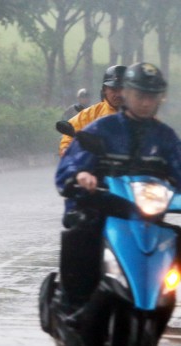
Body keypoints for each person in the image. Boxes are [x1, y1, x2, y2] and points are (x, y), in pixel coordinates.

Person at [55, 62, 181, 313]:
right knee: (80, 235)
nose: (144, 102)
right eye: (138, 95)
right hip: (99, 203)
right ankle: (71, 306)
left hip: (142, 208)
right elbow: (71, 159)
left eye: (151, 96)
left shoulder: (163, 136)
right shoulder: (97, 126)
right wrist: (81, 175)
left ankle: (160, 294)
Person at [59, 65, 127, 157]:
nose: (118, 94)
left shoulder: (139, 115)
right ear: (104, 90)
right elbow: (70, 132)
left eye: (122, 89)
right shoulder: (91, 113)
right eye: (114, 89)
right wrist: (66, 148)